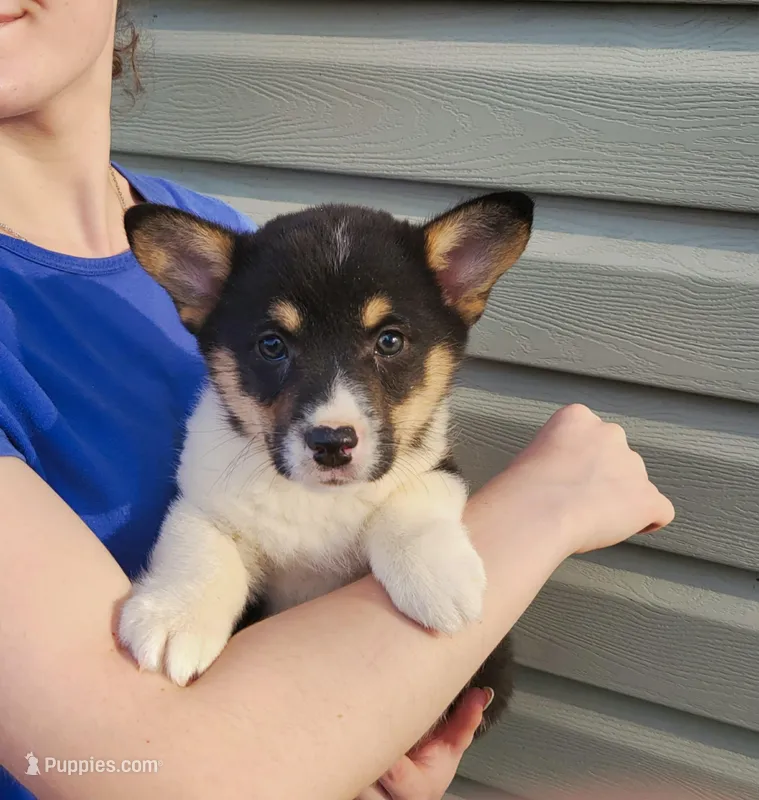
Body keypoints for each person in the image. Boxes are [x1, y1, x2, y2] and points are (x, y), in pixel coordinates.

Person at [0, 2, 675, 798]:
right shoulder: (224, 267)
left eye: (386, 345)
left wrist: (365, 733)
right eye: (274, 349)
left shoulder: (233, 236)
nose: (330, 411)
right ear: (195, 292)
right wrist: (540, 509)